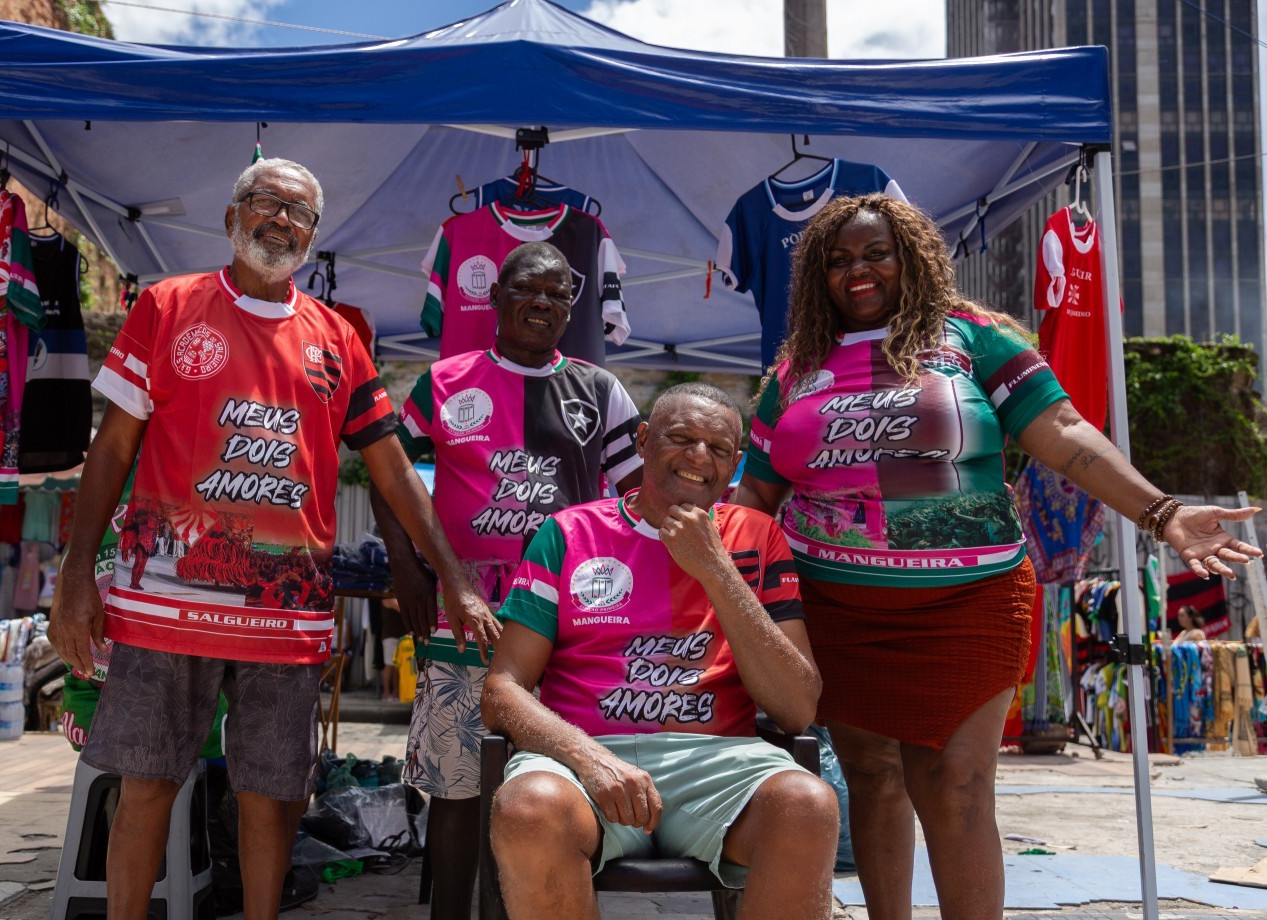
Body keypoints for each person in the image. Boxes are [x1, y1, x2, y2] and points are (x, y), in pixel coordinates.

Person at [733, 191, 1262, 920]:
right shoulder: (796, 370)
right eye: (838, 259)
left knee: (952, 779)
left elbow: (1066, 434)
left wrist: (1162, 511)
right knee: (870, 772)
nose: (857, 271)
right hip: (836, 605)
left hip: (966, 601)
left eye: (875, 253)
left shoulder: (969, 337)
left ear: (909, 257)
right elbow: (755, 490)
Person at [49, 158, 496, 920]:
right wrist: (75, 578)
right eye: (264, 202)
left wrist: (451, 575)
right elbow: (112, 450)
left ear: (313, 235)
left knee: (273, 793)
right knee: (147, 782)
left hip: (283, 617)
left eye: (299, 212)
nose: (280, 219)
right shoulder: (166, 306)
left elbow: (391, 471)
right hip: (164, 603)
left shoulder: (339, 339)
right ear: (231, 218)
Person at [482, 383, 838, 920]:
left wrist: (716, 569)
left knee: (807, 805)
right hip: (587, 757)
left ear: (735, 465)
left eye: (718, 450)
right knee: (529, 808)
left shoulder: (758, 536)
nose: (699, 457)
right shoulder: (569, 533)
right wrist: (589, 758)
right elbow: (501, 690)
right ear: (644, 441)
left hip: (718, 761)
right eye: (681, 438)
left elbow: (796, 708)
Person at [371, 241, 644, 919]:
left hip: (569, 626)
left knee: (547, 784)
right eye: (528, 289)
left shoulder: (600, 389)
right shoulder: (444, 380)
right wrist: (407, 566)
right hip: (464, 614)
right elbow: (386, 473)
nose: (543, 303)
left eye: (558, 294)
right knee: (458, 783)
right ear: (494, 298)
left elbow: (638, 497)